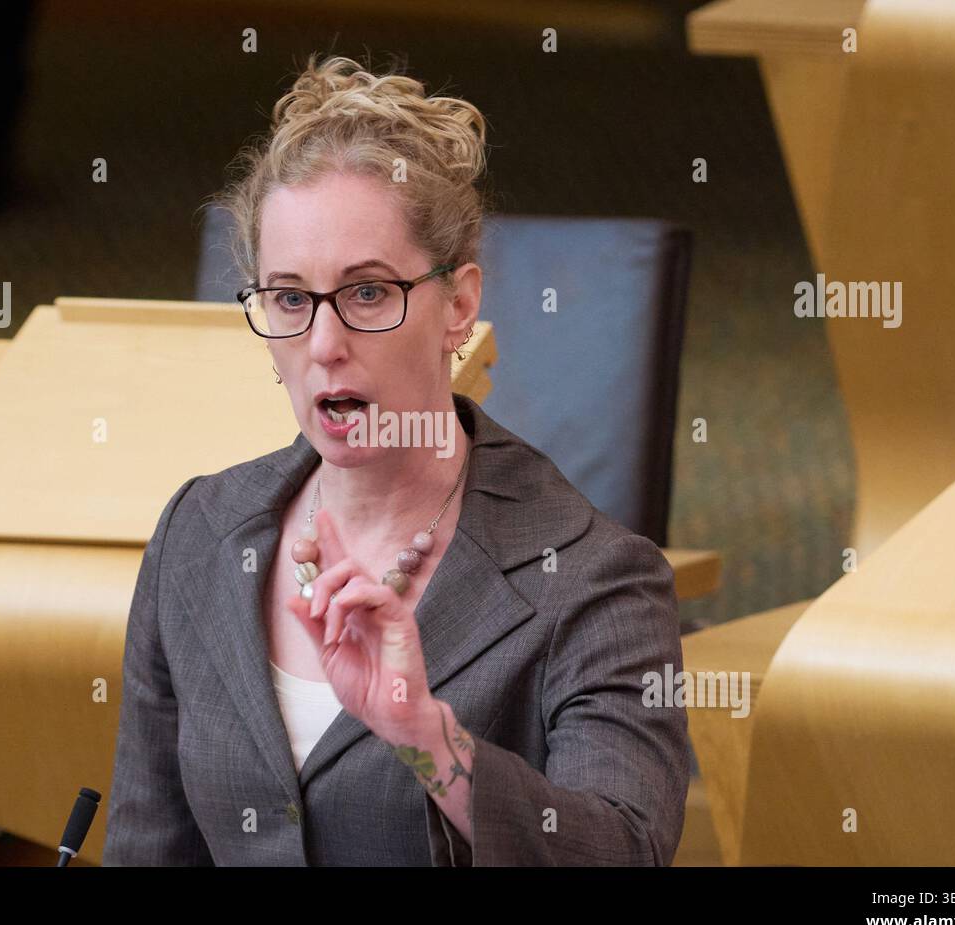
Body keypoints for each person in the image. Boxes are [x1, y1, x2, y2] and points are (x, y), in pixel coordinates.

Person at [103, 52, 688, 866]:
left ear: (459, 304)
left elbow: (625, 851)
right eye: (289, 298)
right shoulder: (199, 536)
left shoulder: (595, 580)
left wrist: (427, 737)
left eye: (369, 292)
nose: (324, 345)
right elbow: (148, 849)